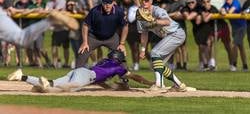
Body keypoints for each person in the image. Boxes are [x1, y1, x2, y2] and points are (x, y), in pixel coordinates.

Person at [7, 50, 154, 93]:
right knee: (73, 87)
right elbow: (134, 76)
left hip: (80, 70)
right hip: (86, 75)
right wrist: (149, 83)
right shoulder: (117, 67)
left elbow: (102, 83)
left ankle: (22, 76)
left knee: (51, 83)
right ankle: (45, 85)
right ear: (119, 60)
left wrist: (113, 88)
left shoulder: (106, 64)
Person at [137, 0, 194, 91]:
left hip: (176, 33)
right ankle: (179, 85)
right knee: (158, 64)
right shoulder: (139, 15)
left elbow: (167, 22)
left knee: (155, 53)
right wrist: (142, 49)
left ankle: (158, 84)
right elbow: (144, 33)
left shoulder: (157, 10)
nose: (144, 1)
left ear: (151, 1)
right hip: (169, 36)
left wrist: (154, 21)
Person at [77, 0, 128, 68]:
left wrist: (122, 43)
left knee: (120, 54)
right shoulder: (95, 11)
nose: (107, 5)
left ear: (113, 2)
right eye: (105, 3)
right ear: (102, 2)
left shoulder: (119, 11)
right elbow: (85, 25)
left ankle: (124, 77)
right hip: (94, 37)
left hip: (111, 37)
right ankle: (75, 76)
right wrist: (85, 42)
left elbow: (125, 26)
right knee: (82, 52)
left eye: (109, 3)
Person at [220, 0, 248, 71]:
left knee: (234, 44)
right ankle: (245, 65)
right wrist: (222, 11)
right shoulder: (225, 4)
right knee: (240, 46)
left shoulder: (236, 2)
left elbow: (231, 11)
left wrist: (225, 11)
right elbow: (221, 10)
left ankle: (234, 64)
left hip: (242, 26)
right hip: (234, 27)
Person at [46, 0, 69, 68]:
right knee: (54, 46)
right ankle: (55, 63)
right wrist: (51, 12)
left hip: (64, 27)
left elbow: (55, 11)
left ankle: (66, 63)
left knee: (65, 47)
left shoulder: (62, 0)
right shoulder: (49, 1)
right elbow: (47, 11)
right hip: (55, 28)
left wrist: (51, 11)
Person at [167, 0, 188, 70]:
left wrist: (170, 15)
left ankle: (185, 64)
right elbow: (166, 13)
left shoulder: (182, 2)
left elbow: (180, 13)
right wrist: (172, 14)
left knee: (183, 47)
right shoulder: (170, 3)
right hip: (173, 27)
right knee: (176, 47)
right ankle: (179, 64)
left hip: (181, 26)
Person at [28, 0, 51, 67]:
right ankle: (39, 64)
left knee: (39, 47)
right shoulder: (32, 5)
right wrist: (35, 10)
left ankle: (47, 59)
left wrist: (42, 11)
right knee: (34, 48)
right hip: (32, 30)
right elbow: (27, 11)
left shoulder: (45, 5)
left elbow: (48, 11)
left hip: (40, 29)